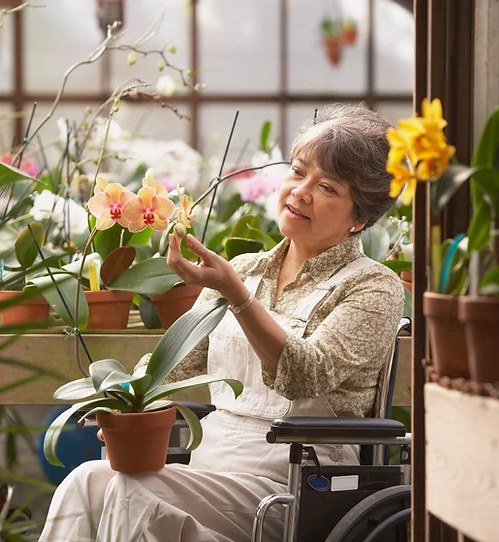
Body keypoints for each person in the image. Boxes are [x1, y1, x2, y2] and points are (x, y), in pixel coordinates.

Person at [39, 104, 405, 542]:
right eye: (297, 171)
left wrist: (238, 296)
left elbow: (304, 374)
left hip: (295, 488)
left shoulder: (373, 287)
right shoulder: (245, 268)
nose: (301, 192)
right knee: (86, 481)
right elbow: (172, 366)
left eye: (326, 186)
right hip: (211, 469)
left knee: (131, 492)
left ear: (360, 218)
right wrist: (123, 401)